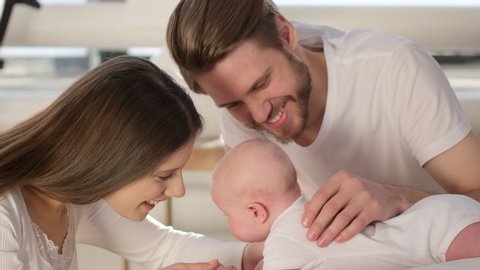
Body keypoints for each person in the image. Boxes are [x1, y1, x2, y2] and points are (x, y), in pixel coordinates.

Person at [166, 0, 480, 248]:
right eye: (233, 104)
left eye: (260, 84)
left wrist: (398, 199)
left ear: (286, 34)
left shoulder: (393, 68)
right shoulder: (241, 115)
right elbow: (270, 238)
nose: (259, 116)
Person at [0, 55, 262, 270]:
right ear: (109, 158)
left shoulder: (73, 198)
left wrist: (253, 254)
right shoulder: (5, 213)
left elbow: (161, 246)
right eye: (164, 176)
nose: (178, 190)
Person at [211, 139, 480, 270]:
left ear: (256, 211)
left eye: (227, 215)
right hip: (438, 219)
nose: (227, 223)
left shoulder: (283, 241)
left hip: (441, 233)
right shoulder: (310, 217)